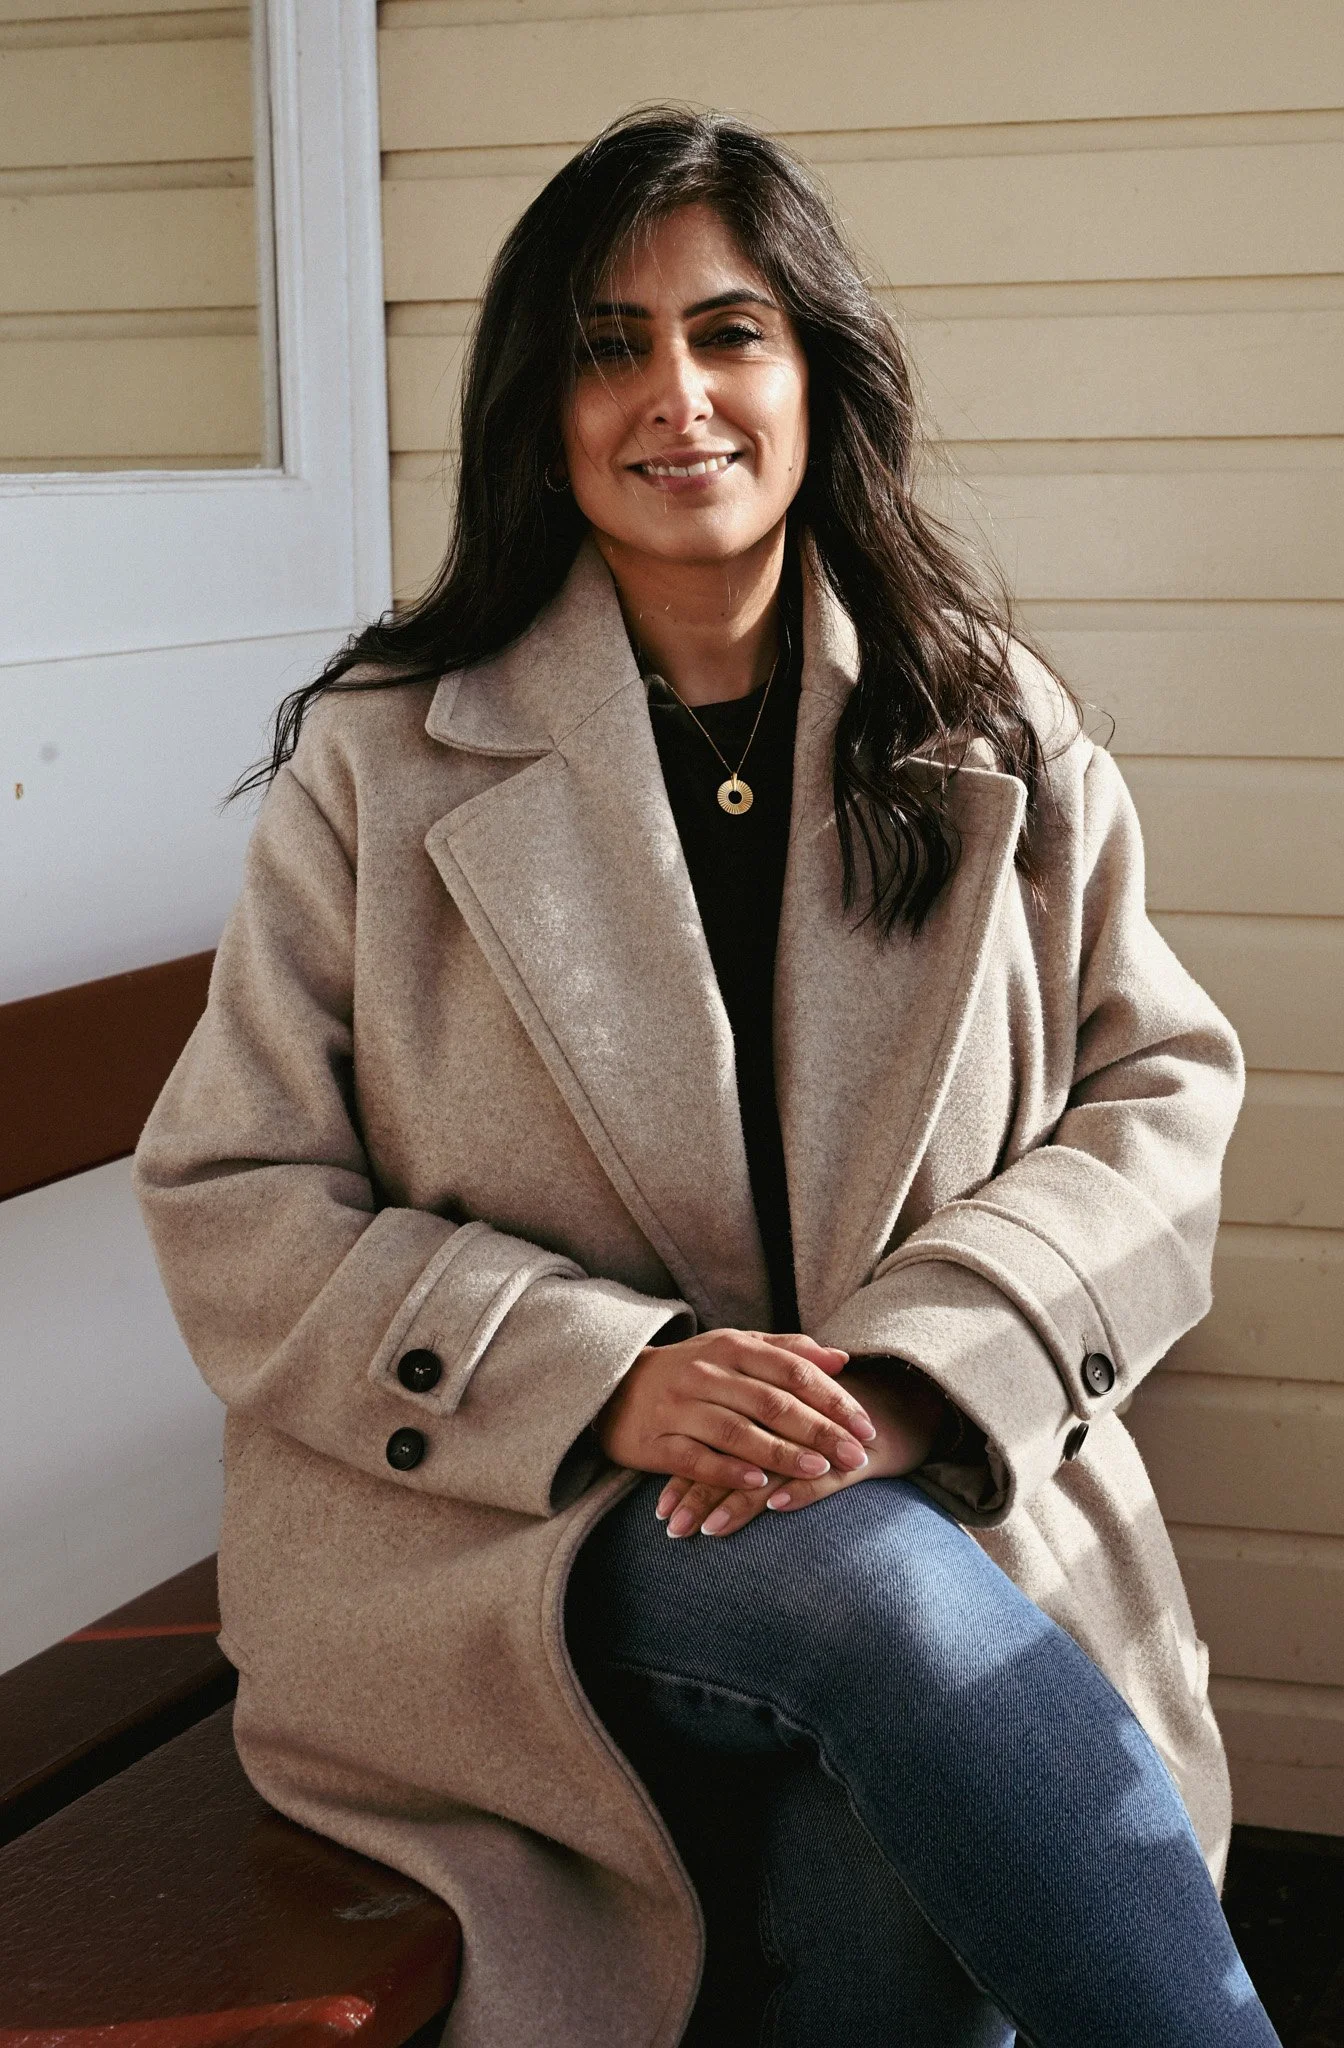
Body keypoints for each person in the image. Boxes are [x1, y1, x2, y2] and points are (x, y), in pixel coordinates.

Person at [134, 106, 1281, 2048]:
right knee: (872, 1605)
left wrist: (925, 1372)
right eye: (608, 343)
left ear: (816, 369)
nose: (677, 392)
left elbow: (1155, 1097)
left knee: (887, 1849)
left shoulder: (995, 723)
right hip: (513, 1533)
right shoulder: (385, 758)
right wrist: (613, 1377)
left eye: (731, 330)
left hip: (922, 1486)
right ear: (543, 406)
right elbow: (234, 1191)